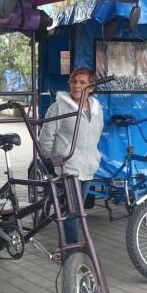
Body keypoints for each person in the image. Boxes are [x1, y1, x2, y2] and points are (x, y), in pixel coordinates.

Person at [39, 67, 103, 244]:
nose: (76, 85)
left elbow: (96, 135)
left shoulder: (97, 109)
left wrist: (95, 156)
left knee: (76, 209)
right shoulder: (59, 107)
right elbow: (46, 136)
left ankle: (66, 247)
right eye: (74, 81)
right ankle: (71, 250)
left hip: (87, 167)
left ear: (91, 87)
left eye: (82, 82)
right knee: (74, 212)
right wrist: (50, 162)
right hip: (67, 167)